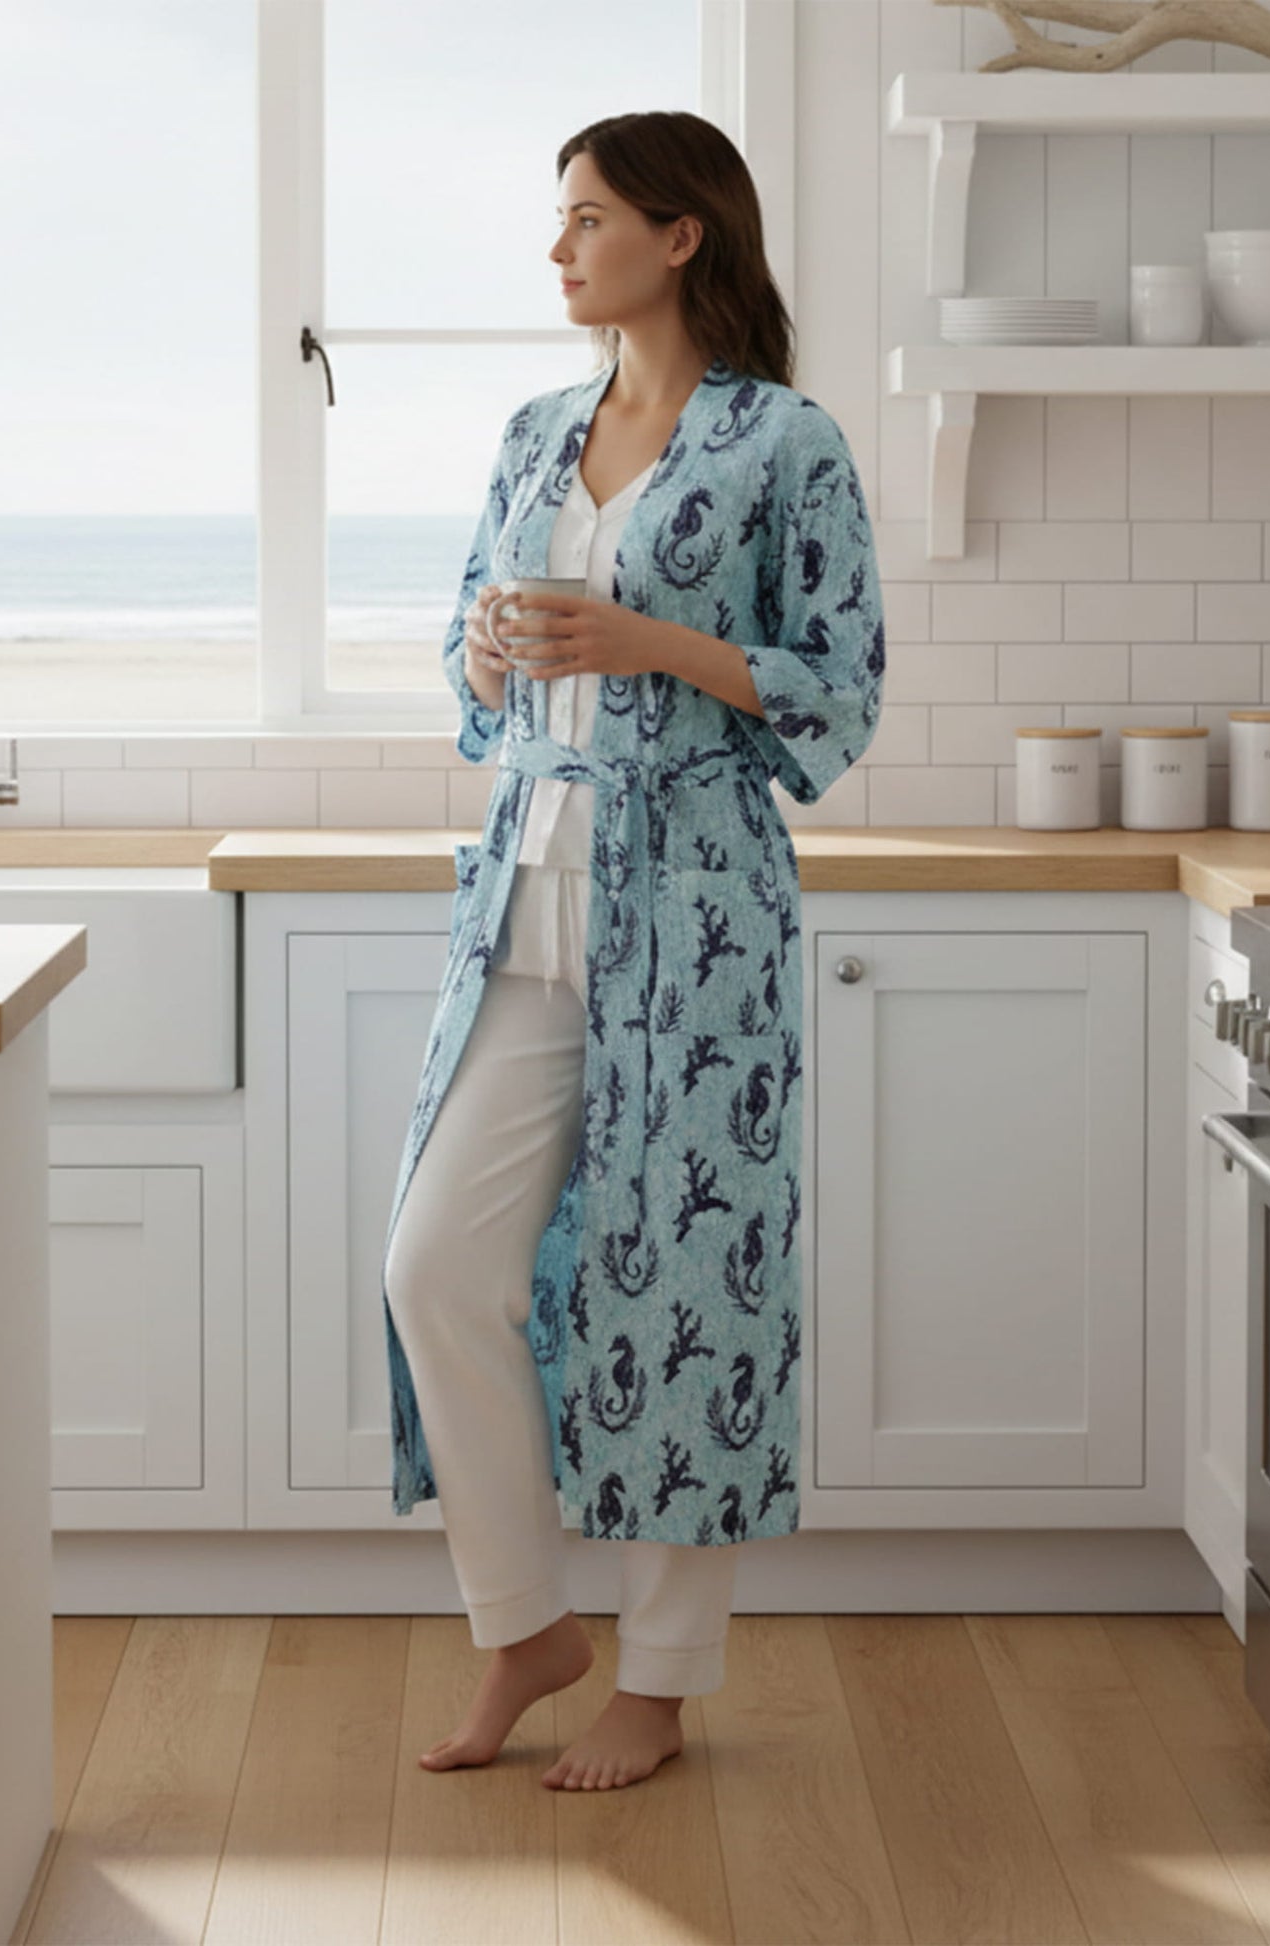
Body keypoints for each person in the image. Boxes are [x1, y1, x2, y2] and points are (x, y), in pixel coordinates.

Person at [382, 109, 884, 1793]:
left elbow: (839, 688)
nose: (558, 248)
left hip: (700, 912)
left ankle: (658, 1681)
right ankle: (521, 1622)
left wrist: (649, 638)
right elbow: (473, 679)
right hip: (527, 894)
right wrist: (481, 646)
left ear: (680, 236)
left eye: (586, 217)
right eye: (558, 218)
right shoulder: (533, 432)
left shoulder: (783, 442)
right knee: (436, 1265)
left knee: (683, 1282)